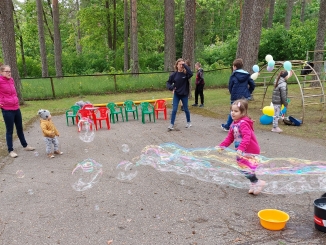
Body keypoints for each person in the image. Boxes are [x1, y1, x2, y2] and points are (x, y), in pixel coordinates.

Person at [218, 99, 265, 195]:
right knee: (244, 168)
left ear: (242, 112)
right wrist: (222, 146)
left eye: (236, 111)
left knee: (245, 168)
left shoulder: (243, 123)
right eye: (232, 110)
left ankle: (257, 182)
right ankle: (254, 183)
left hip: (250, 149)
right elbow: (229, 138)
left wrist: (240, 148)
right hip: (242, 150)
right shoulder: (233, 124)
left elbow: (247, 137)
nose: (233, 113)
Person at [0, 65, 35, 158]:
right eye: (6, 71)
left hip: (16, 107)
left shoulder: (11, 80)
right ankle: (10, 150)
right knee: (9, 130)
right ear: (1, 72)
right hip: (7, 110)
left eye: (10, 71)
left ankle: (25, 145)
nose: (9, 73)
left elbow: (13, 92)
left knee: (19, 128)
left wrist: (16, 100)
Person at [221, 58, 255, 131]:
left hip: (235, 96)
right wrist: (249, 92)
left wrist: (232, 92)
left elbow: (230, 86)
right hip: (244, 96)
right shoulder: (247, 75)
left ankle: (228, 126)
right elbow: (252, 84)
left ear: (235, 66)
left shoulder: (233, 75)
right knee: (243, 111)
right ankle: (245, 125)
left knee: (233, 111)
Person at [166, 58, 193, 130]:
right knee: (174, 110)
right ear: (177, 65)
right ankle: (171, 124)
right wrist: (171, 88)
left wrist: (185, 65)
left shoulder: (186, 74)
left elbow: (191, 73)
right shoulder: (174, 75)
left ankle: (188, 122)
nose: (181, 66)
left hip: (184, 94)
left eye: (182, 64)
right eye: (180, 64)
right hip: (177, 94)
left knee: (186, 109)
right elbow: (168, 83)